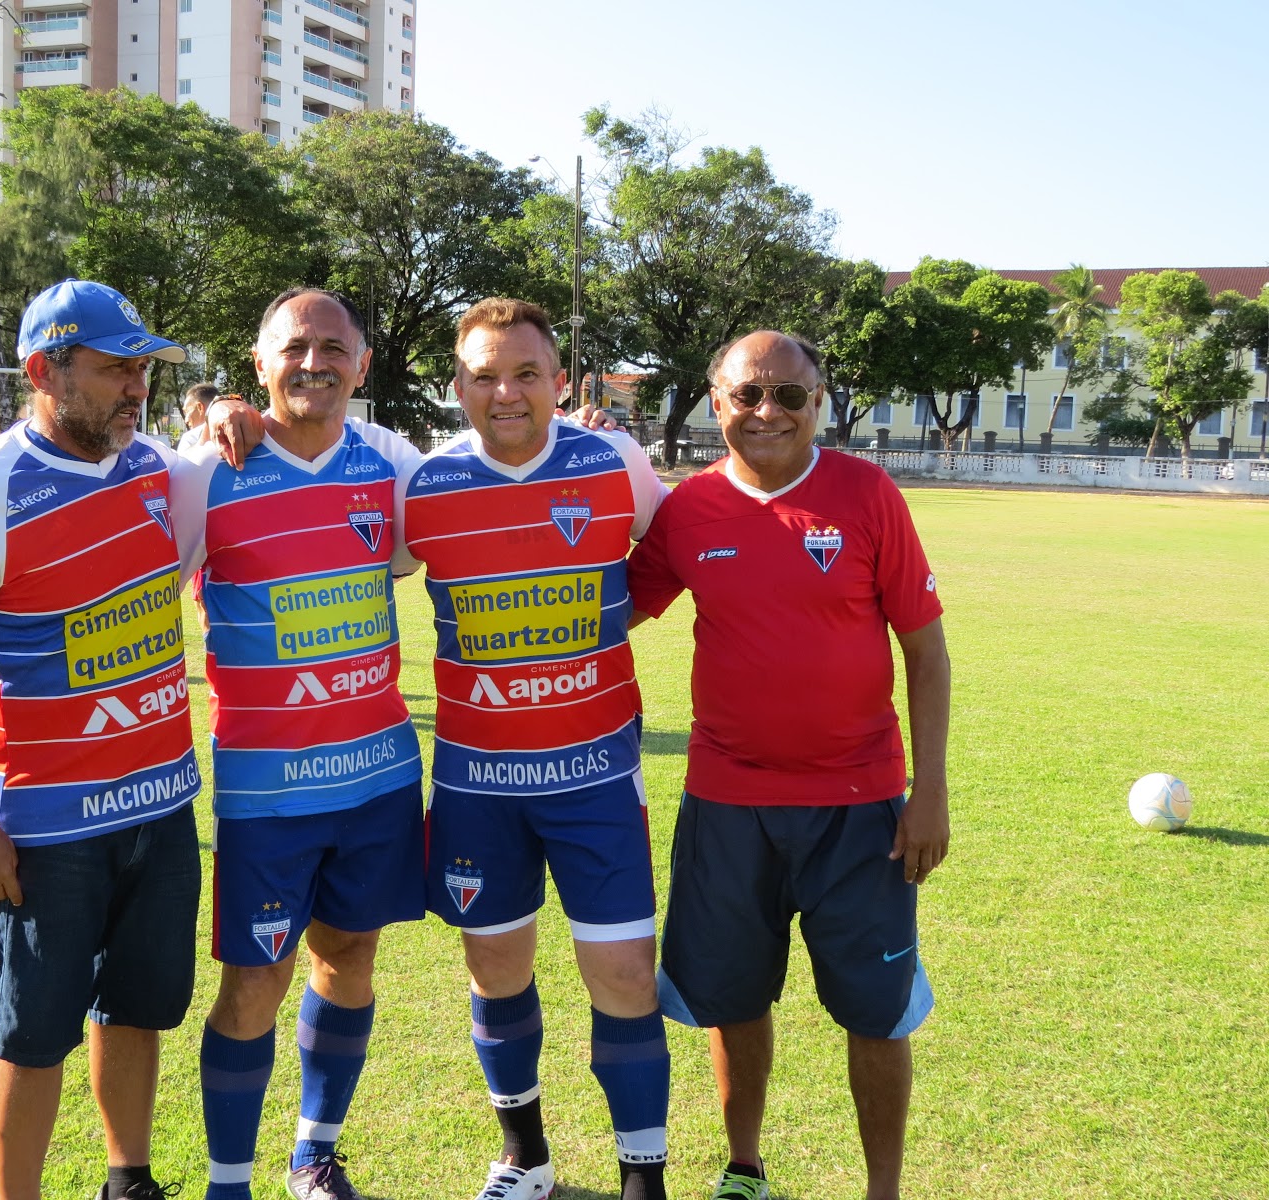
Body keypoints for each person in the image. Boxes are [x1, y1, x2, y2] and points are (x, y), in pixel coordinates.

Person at [625, 331, 951, 1200]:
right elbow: (613, 609)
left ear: (820, 403)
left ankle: (882, 1190)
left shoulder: (867, 494)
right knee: (731, 999)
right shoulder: (691, 508)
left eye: (790, 396)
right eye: (747, 395)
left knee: (876, 1011)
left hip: (862, 806)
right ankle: (744, 1168)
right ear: (716, 401)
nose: (767, 411)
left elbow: (925, 650)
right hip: (728, 802)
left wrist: (929, 791)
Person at [0, 279, 203, 1200]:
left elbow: (241, 455)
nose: (136, 388)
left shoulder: (156, 469)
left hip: (162, 806)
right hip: (44, 827)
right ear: (45, 371)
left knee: (138, 1007)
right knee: (33, 1034)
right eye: (115, 370)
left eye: (143, 370)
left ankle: (128, 1179)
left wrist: (233, 412)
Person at [393, 298, 672, 1200]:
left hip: (596, 776)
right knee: (495, 969)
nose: (505, 393)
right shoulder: (422, 486)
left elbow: (684, 543)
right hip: (478, 786)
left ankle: (643, 1180)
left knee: (624, 974)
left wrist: (621, 617)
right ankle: (526, 1157)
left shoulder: (614, 462)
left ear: (561, 381)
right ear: (458, 384)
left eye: (524, 374)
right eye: (485, 375)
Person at [169, 287, 426, 1200]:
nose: (313, 363)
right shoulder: (205, 470)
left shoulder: (393, 463)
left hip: (378, 776)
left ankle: (314, 1153)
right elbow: (134, 571)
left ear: (361, 364)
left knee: (348, 955)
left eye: (332, 348)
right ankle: (227, 1184)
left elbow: (481, 485)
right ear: (259, 362)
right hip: (266, 791)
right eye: (293, 348)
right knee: (255, 982)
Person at [177, 383, 220, 455]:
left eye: (187, 411)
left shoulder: (190, 438)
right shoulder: (236, 432)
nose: (186, 420)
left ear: (200, 407)